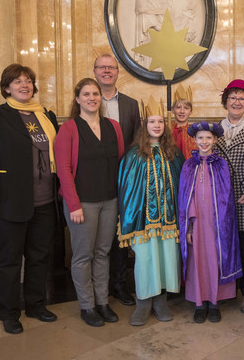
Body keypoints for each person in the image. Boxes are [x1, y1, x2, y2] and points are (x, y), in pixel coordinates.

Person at [0, 64, 59, 334]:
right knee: (10, 260)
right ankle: (9, 314)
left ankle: (36, 305)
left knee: (39, 257)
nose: (24, 85)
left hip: (46, 201)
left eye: (28, 81)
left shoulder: (46, 115)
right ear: (6, 88)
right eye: (18, 81)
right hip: (10, 202)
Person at [54, 78, 124, 327]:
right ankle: (87, 305)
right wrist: (73, 205)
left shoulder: (113, 127)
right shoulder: (69, 129)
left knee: (103, 253)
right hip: (82, 203)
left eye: (95, 93)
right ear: (77, 99)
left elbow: (121, 165)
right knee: (83, 255)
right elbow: (63, 169)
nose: (92, 98)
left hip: (110, 200)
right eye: (86, 94)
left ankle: (103, 302)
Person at [117, 99, 185, 326]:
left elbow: (182, 186)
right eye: (152, 121)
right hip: (143, 221)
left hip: (169, 220)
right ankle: (144, 302)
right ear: (144, 125)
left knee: (167, 258)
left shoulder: (173, 153)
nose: (157, 125)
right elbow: (127, 190)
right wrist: (130, 219)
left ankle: (161, 301)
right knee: (145, 259)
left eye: (160, 122)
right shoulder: (134, 155)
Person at [178, 122, 242, 323]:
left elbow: (227, 197)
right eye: (200, 138)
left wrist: (223, 223)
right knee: (197, 259)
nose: (204, 142)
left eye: (208, 138)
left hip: (216, 223)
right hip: (196, 224)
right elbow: (184, 197)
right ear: (194, 140)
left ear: (215, 140)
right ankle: (199, 302)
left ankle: (214, 301)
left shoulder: (221, 164)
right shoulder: (188, 165)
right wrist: (188, 225)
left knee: (215, 258)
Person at [93, 53, 140, 307]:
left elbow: (136, 142)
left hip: (125, 179)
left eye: (111, 67)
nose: (107, 71)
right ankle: (98, 288)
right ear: (95, 72)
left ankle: (120, 285)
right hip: (95, 179)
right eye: (102, 67)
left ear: (117, 72)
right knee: (99, 236)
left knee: (121, 234)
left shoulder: (132, 105)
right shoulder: (88, 100)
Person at [215, 79, 244, 313]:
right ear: (226, 101)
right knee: (224, 245)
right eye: (232, 97)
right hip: (220, 200)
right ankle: (226, 289)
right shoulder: (213, 130)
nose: (236, 102)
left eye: (241, 99)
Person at [171, 84, 198, 159]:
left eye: (186, 108)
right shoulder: (167, 130)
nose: (182, 111)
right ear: (173, 110)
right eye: (178, 107)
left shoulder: (195, 132)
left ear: (191, 111)